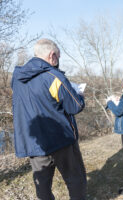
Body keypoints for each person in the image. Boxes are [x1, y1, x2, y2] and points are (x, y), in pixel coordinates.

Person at [11, 39, 87, 200]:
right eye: (59, 56)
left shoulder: (17, 79)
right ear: (52, 55)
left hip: (35, 142)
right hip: (61, 139)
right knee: (75, 180)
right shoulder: (54, 77)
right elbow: (74, 106)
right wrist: (80, 95)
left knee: (43, 185)